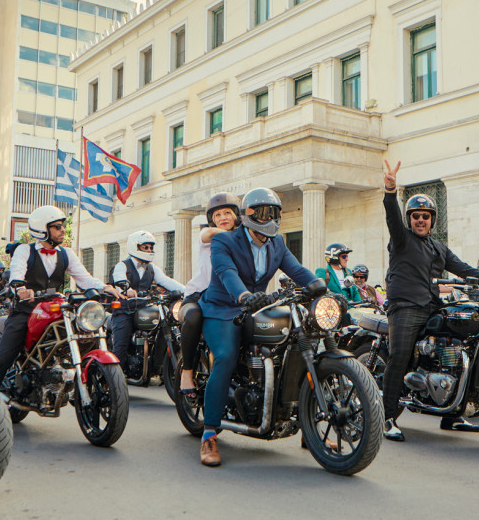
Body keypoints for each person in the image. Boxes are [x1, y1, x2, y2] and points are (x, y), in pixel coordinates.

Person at [196, 187, 325, 466]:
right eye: (267, 212)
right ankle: (208, 434)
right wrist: (243, 296)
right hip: (223, 308)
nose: (272, 218)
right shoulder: (225, 241)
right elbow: (226, 274)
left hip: (260, 306)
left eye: (276, 212)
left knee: (297, 347)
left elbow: (297, 270)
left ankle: (308, 423)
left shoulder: (276, 243)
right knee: (226, 357)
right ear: (250, 214)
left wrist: (318, 287)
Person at [381, 161, 479, 442]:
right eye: (416, 216)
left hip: (432, 306)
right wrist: (390, 189)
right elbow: (392, 217)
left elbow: (465, 269)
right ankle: (385, 417)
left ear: (433, 220)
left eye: (426, 216)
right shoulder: (401, 240)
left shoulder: (439, 247)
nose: (421, 220)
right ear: (410, 219)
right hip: (405, 306)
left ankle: (453, 414)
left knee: (459, 349)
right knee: (400, 356)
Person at [0, 206, 119, 392]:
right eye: (57, 227)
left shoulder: (66, 253)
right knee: (4, 358)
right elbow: (17, 273)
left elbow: (84, 279)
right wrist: (20, 287)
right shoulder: (25, 250)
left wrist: (105, 287)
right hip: (26, 310)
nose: (63, 230)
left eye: (62, 226)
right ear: (42, 230)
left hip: (54, 308)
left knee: (86, 332)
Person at [178, 193, 241, 397]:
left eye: (227, 213)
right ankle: (187, 370)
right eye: (217, 215)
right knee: (193, 316)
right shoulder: (207, 235)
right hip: (198, 295)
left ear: (236, 215)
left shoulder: (243, 242)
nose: (222, 218)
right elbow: (209, 234)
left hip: (228, 298)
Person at [108, 230, 185, 366]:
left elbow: (167, 281)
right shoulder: (122, 266)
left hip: (144, 308)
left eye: (150, 247)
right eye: (145, 247)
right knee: (120, 345)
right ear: (135, 247)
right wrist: (127, 290)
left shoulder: (152, 268)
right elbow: (120, 280)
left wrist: (188, 291)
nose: (149, 250)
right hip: (125, 310)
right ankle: (115, 376)